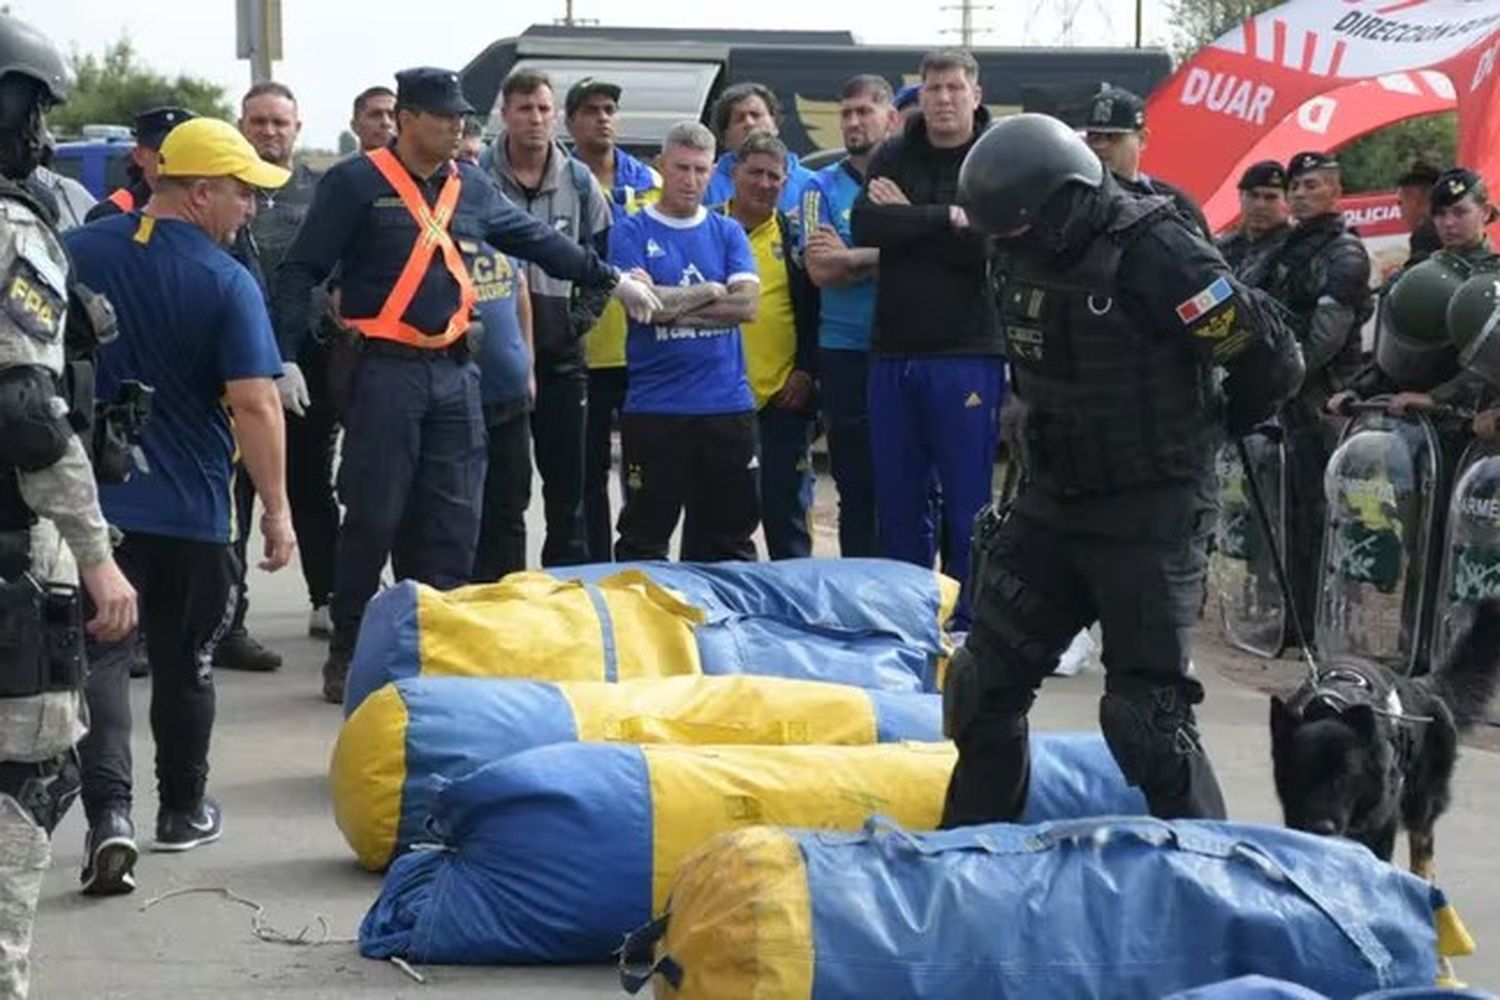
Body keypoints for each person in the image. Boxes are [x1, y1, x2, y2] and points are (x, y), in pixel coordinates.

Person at [944, 113, 1304, 828]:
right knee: (980, 690)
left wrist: (1205, 434)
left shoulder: (1159, 252)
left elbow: (1272, 362)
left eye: (1018, 231)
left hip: (1150, 510)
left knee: (1148, 722)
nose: (1009, 246)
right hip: (1052, 498)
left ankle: (1212, 884)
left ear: (1065, 200)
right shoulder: (1011, 244)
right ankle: (969, 861)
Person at [271, 67, 659, 703]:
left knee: (452, 522)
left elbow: (535, 239)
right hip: (385, 371)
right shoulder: (355, 182)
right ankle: (348, 648)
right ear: (407, 119)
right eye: (445, 115)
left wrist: (607, 276)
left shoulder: (468, 185)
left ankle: (437, 649)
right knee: (373, 514)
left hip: (456, 373)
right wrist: (282, 356)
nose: (458, 126)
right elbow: (300, 270)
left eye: (462, 117)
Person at [66, 118, 296, 893]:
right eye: (241, 193)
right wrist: (276, 510)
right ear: (199, 193)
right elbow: (257, 405)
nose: (250, 211)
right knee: (185, 665)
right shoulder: (227, 281)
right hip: (194, 511)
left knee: (99, 662)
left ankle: (109, 818)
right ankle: (183, 812)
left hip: (95, 514)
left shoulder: (79, 250)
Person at [0, 14, 137, 994]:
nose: (46, 136)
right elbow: (27, 414)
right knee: (27, 777)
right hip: (13, 556)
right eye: (37, 109)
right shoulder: (14, 231)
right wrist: (95, 547)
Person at [851, 49, 1004, 627]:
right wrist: (947, 218)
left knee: (967, 504)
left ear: (975, 94)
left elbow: (990, 242)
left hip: (967, 353)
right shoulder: (894, 150)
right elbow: (867, 225)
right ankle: (908, 616)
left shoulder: (994, 156)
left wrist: (911, 219)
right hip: (894, 349)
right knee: (899, 501)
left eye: (953, 87)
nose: (942, 98)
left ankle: (969, 621)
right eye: (933, 87)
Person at [608, 121, 760, 562]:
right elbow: (641, 307)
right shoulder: (630, 232)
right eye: (681, 168)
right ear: (661, 166)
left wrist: (666, 299)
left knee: (729, 543)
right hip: (656, 409)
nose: (690, 180)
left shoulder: (727, 231)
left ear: (713, 171)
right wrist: (710, 290)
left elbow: (747, 307)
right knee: (643, 540)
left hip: (726, 407)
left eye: (700, 170)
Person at [482, 68, 612, 567]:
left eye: (542, 108)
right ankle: (503, 595)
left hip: (561, 360)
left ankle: (566, 597)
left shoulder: (580, 182)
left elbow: (602, 265)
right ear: (504, 115)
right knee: (504, 494)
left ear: (554, 114)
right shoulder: (477, 179)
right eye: (523, 109)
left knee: (568, 491)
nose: (535, 119)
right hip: (498, 359)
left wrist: (575, 324)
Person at [1256, 150, 1372, 644]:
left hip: (1317, 404)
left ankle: (1315, 622)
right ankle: (1289, 616)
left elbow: (1324, 339)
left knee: (1316, 519)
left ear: (1335, 193)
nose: (1301, 194)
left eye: (1312, 186)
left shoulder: (1343, 254)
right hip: (1286, 400)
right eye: (1297, 187)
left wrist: (1275, 374)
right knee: (1284, 516)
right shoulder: (1287, 246)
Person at [238, 81, 340, 644]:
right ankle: (228, 619)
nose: (270, 132)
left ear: (297, 128)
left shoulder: (324, 192)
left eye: (280, 122)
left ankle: (328, 597)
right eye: (259, 122)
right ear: (243, 125)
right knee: (236, 491)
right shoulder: (227, 189)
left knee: (310, 486)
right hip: (236, 364)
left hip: (311, 364)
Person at [802, 74, 898, 557]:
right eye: (846, 113)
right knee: (854, 485)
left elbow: (931, 251)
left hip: (906, 346)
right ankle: (858, 595)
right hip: (843, 351)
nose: (854, 121)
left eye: (865, 110)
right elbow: (820, 269)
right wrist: (892, 255)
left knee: (909, 484)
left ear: (891, 117)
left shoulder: (909, 180)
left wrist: (852, 259)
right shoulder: (819, 186)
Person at [567, 76, 661, 562]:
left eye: (609, 109)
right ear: (571, 121)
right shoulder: (559, 180)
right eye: (590, 109)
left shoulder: (649, 183)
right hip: (582, 351)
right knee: (586, 475)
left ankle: (636, 569)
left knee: (642, 475)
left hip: (640, 351)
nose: (603, 117)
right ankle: (594, 572)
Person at [716, 132, 819, 559]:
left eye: (774, 176)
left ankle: (795, 616)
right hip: (717, 400)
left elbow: (816, 311)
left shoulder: (797, 238)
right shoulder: (707, 230)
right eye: (754, 173)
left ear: (786, 179)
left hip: (782, 400)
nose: (763, 183)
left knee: (788, 520)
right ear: (734, 174)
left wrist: (806, 371)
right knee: (721, 522)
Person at [1330, 168, 1499, 418]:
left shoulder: (1494, 282)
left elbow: (1491, 368)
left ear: (1484, 212)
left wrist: (1435, 397)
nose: (1448, 223)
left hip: (1473, 424)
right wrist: (1356, 390)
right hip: (1412, 420)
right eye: (1440, 214)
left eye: (1460, 212)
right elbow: (1392, 356)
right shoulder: (1417, 273)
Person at [469, 246, 534, 581]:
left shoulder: (502, 230)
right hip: (461, 402)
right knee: (464, 510)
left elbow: (520, 289)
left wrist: (528, 363)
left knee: (511, 505)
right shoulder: (436, 232)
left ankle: (511, 595)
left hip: (511, 395)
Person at [1084, 84, 1211, 239]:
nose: (1101, 146)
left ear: (1142, 139)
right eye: (1094, 137)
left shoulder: (1174, 200)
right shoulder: (1078, 199)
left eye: (1113, 136)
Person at [704, 83, 814, 213]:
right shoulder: (706, 184)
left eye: (755, 115)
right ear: (725, 137)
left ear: (774, 124)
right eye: (740, 119)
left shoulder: (812, 184)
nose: (749, 123)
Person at [84, 106, 196, 222]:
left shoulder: (204, 209)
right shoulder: (111, 214)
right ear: (139, 156)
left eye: (181, 151)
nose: (173, 158)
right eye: (163, 151)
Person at [1216, 159, 1291, 277]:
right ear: (1240, 197)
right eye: (1253, 195)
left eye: (1270, 198)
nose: (1260, 205)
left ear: (1288, 201)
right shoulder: (1222, 247)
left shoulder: (1293, 249)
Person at [1397, 160, 1442, 266]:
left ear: (1415, 198)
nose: (1401, 213)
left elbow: (1416, 278)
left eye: (1400, 203)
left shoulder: (1427, 236)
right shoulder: (1457, 228)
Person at [349, 85, 397, 153]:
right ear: (355, 126)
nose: (386, 122)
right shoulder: (349, 163)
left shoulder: (414, 163)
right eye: (376, 115)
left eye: (392, 115)